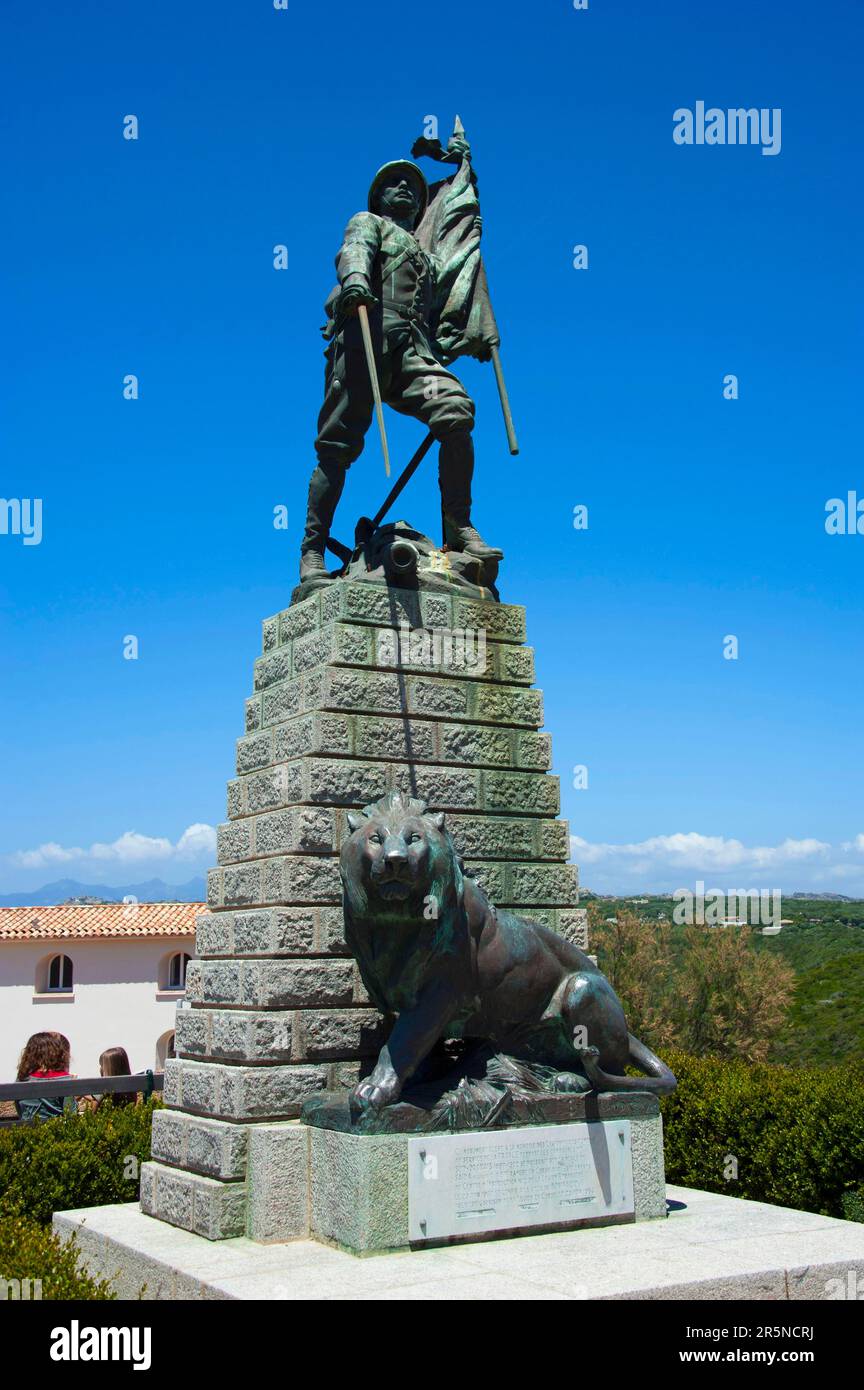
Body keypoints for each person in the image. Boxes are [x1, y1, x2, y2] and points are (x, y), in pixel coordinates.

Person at [300, 136, 502, 582]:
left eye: (412, 185)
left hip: (412, 353)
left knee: (456, 412)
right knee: (336, 448)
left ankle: (458, 528)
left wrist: (477, 331)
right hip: (365, 344)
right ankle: (312, 551)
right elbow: (353, 251)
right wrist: (355, 280)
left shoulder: (428, 257)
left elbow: (450, 301)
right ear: (379, 197)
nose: (405, 189)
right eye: (394, 184)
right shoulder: (368, 222)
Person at [14, 1031, 76, 1122]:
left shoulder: (21, 1079)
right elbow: (71, 1117)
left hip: (26, 1131)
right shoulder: (65, 1080)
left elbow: (20, 1109)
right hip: (55, 1132)